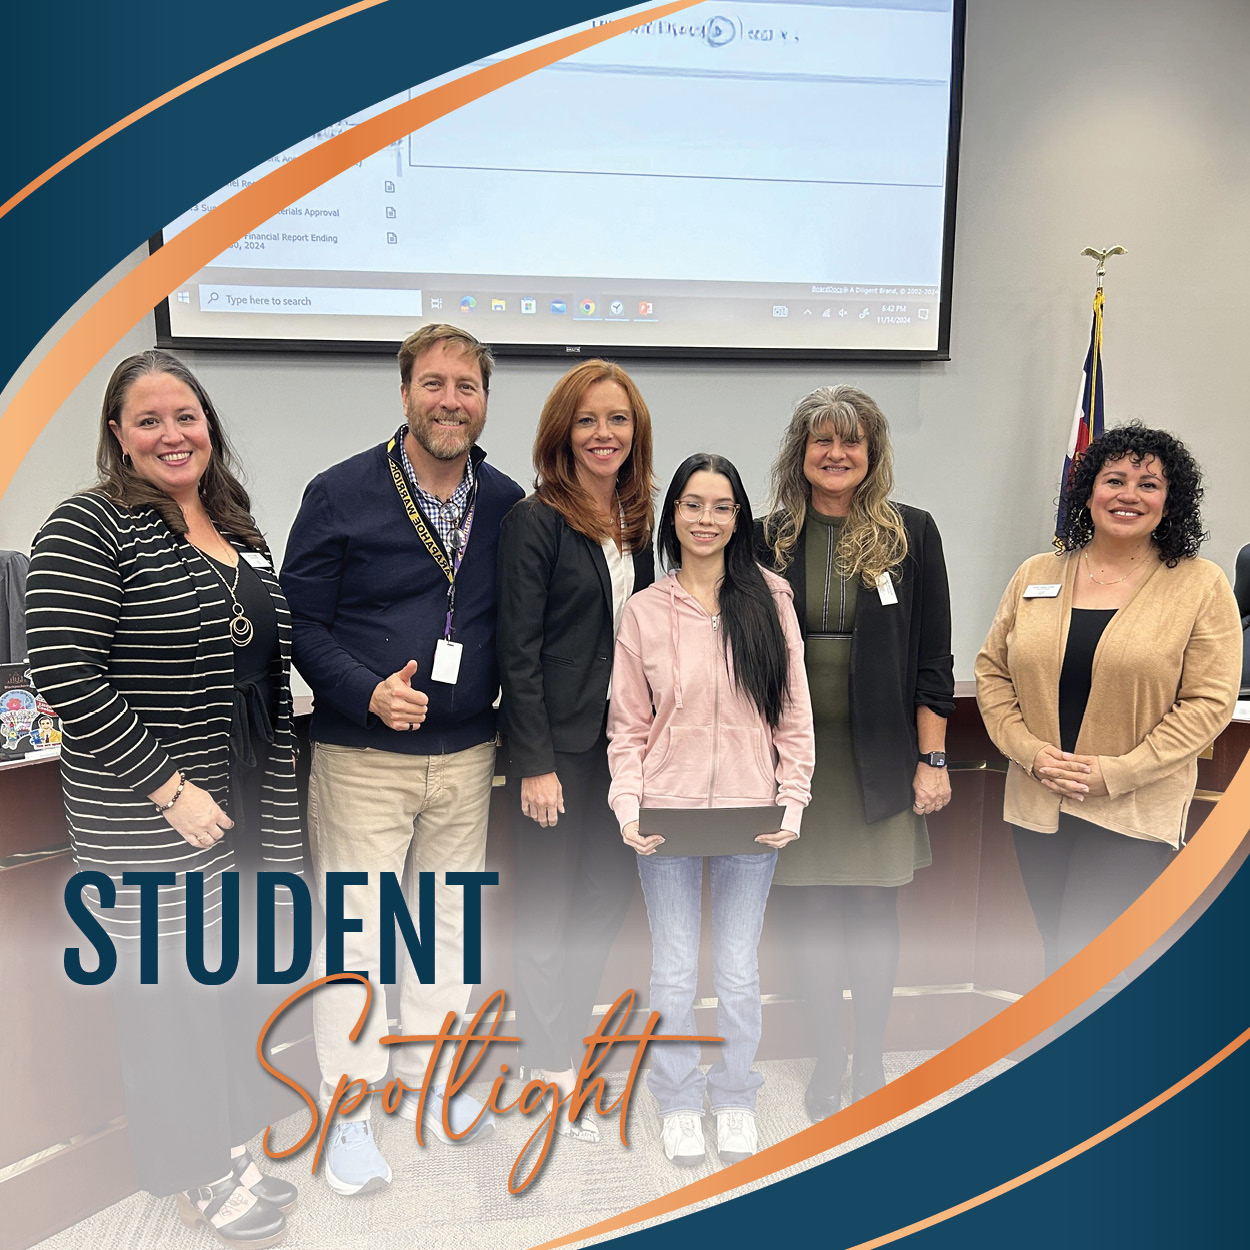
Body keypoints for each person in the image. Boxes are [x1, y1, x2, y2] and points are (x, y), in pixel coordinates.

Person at [25, 350, 303, 1248]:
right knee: (166, 1004)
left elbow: (259, 663)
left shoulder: (239, 529)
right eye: (148, 420)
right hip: (147, 815)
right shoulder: (93, 524)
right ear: (118, 436)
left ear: (208, 425)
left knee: (224, 987)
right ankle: (189, 1173)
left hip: (245, 800)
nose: (171, 434)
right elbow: (62, 672)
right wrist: (166, 785)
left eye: (185, 416)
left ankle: (226, 1137)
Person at [280, 323, 523, 1195]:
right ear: (405, 392)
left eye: (466, 385)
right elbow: (299, 625)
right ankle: (347, 1111)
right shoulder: (340, 492)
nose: (450, 399)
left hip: (467, 755)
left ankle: (430, 1078)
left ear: (484, 399)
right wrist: (365, 690)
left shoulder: (504, 500)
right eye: (434, 383)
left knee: (445, 928)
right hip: (362, 756)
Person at [976, 423, 1241, 1006]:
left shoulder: (1200, 584)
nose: (1129, 494)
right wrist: (1030, 752)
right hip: (1037, 796)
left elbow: (1208, 703)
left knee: (1094, 952)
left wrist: (1115, 772)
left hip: (1132, 804)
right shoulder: (1037, 573)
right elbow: (993, 672)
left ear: (1171, 501)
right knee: (1057, 945)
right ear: (1087, 491)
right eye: (1114, 479)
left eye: (1148, 484)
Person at [608, 454, 814, 1167]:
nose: (706, 519)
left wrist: (793, 799)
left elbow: (793, 711)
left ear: (738, 519)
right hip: (666, 813)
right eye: (693, 505)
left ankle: (733, 1093)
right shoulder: (643, 609)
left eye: (721, 506)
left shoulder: (771, 598)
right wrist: (627, 804)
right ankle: (675, 1096)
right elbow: (629, 724)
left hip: (751, 816)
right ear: (673, 517)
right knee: (670, 970)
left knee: (734, 968)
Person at [754, 385, 954, 1120]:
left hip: (880, 753)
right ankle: (828, 1061)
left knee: (873, 918)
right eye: (822, 442)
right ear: (800, 455)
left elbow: (933, 657)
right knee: (806, 918)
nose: (836, 455)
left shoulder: (912, 534)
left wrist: (931, 762)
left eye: (851, 442)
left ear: (872, 454)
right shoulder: (764, 537)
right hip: (795, 760)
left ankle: (869, 1057)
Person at [496, 360, 656, 1140]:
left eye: (618, 419)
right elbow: (516, 651)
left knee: (603, 900)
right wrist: (534, 763)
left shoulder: (641, 518)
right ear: (564, 432)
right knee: (550, 910)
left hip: (625, 753)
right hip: (557, 755)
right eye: (589, 420)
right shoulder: (537, 520)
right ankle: (548, 1065)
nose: (604, 434)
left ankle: (562, 1047)